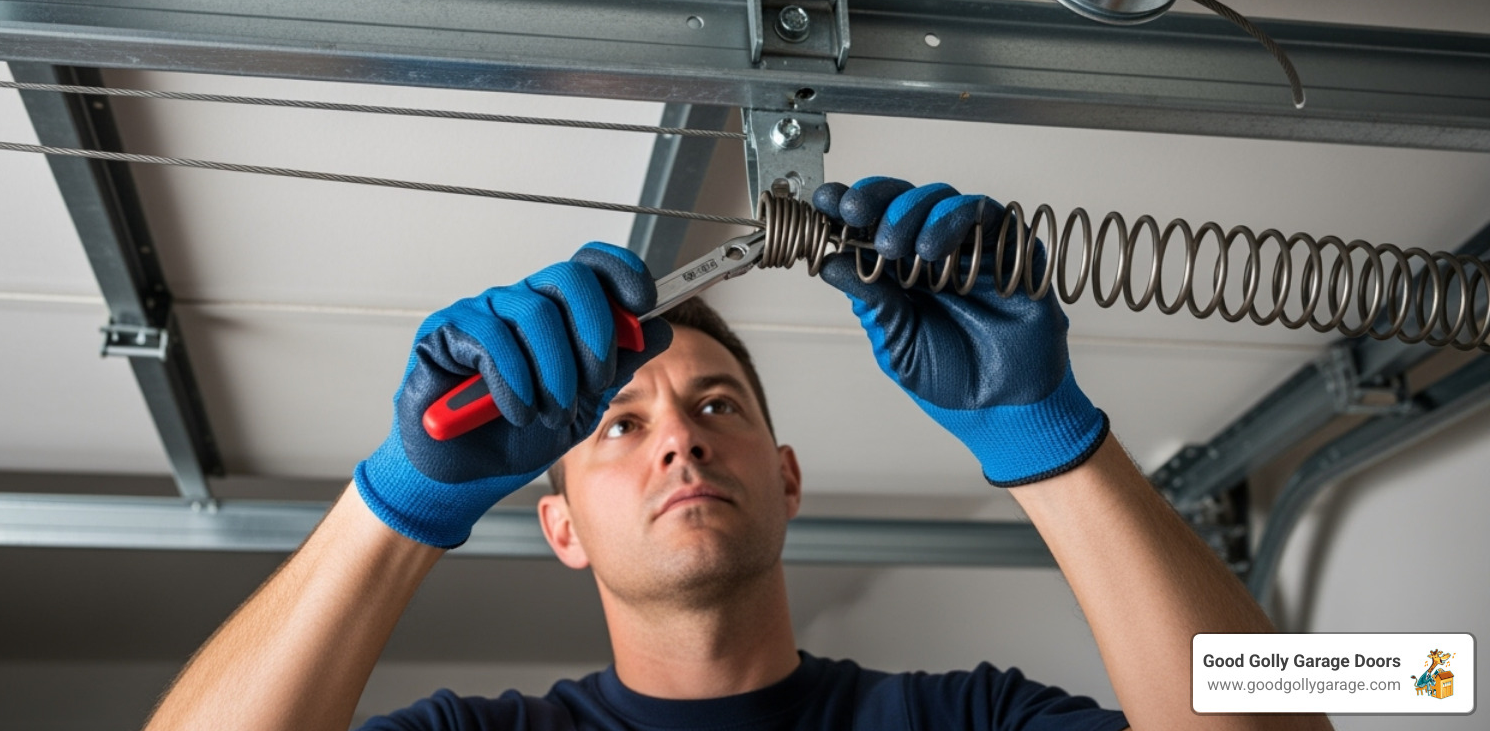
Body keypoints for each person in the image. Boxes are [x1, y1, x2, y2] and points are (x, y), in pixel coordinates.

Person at [143, 178, 1331, 731]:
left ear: (788, 477)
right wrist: (400, 503)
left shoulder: (963, 720)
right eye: (621, 423)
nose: (680, 437)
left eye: (719, 405)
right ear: (557, 525)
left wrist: (1049, 437)